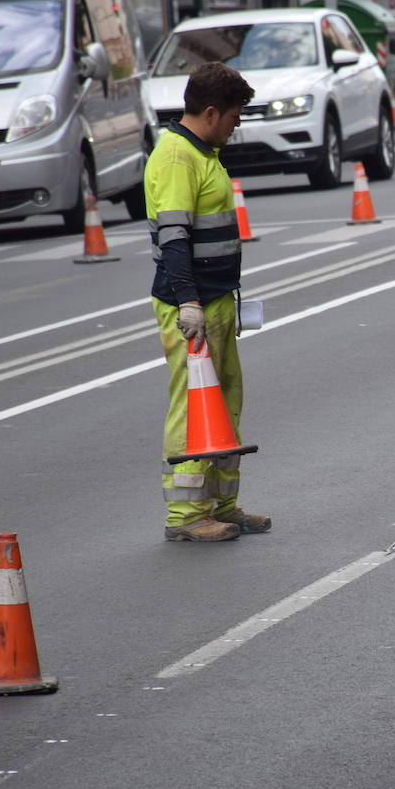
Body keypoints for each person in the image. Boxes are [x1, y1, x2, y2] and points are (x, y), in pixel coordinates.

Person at [146, 62, 270, 543]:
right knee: (195, 407)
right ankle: (185, 516)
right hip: (193, 306)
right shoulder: (178, 158)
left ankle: (222, 504)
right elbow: (175, 239)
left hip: (217, 301)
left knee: (224, 403)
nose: (236, 127)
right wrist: (189, 303)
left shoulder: (203, 152)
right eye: (235, 118)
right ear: (212, 111)